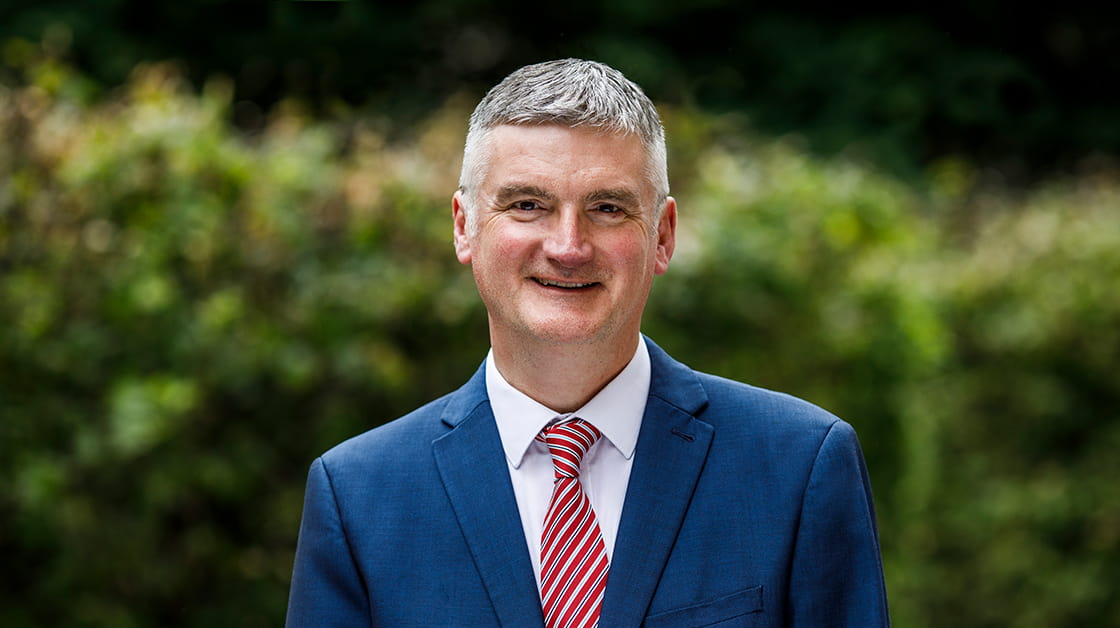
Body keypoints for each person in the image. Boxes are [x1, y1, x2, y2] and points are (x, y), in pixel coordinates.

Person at [286, 59, 890, 627]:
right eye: (528, 205)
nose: (568, 247)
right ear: (464, 226)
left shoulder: (799, 466)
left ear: (663, 236)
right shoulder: (358, 497)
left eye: (607, 208)